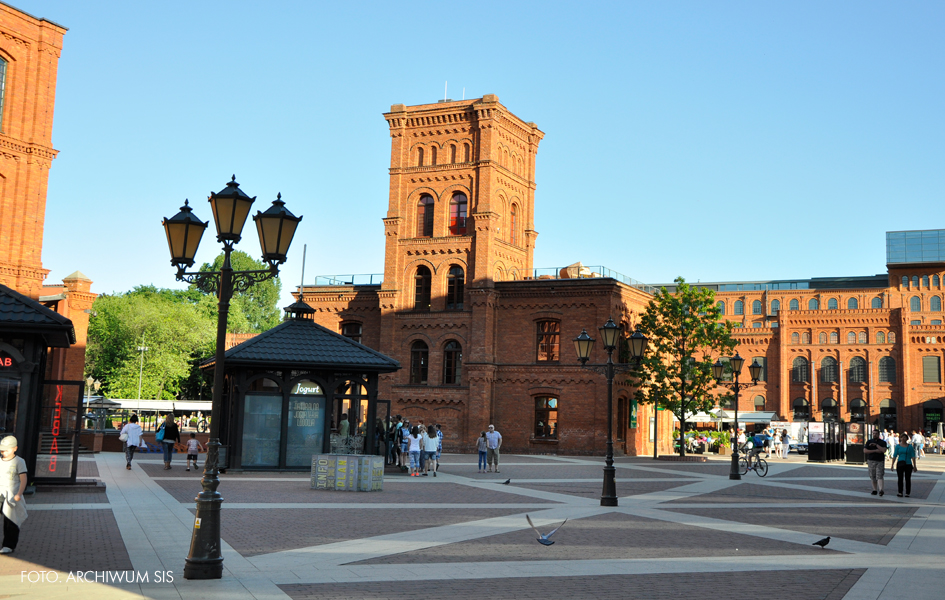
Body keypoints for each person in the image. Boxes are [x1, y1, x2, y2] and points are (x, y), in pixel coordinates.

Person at [0, 435, 27, 554]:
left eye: (6, 450)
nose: (4, 452)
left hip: (11, 493)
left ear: (15, 448)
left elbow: (23, 479)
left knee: (10, 519)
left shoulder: (19, 461)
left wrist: (19, 493)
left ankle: (8, 545)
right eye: (2, 450)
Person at [891, 432, 918, 497]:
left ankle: (907, 492)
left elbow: (913, 456)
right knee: (900, 478)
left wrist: (914, 466)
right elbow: (895, 455)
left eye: (905, 437)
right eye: (902, 437)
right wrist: (892, 465)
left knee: (907, 478)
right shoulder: (898, 446)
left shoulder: (910, 447)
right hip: (900, 463)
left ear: (907, 439)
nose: (903, 438)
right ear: (900, 438)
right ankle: (900, 492)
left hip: (908, 464)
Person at [864, 427, 888, 496]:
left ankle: (881, 490)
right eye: (873, 433)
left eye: (876, 434)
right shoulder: (869, 441)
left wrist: (876, 445)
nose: (875, 435)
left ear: (878, 434)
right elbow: (865, 451)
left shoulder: (882, 442)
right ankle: (874, 489)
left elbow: (883, 450)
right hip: (871, 460)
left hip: (880, 461)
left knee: (879, 475)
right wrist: (875, 451)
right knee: (872, 475)